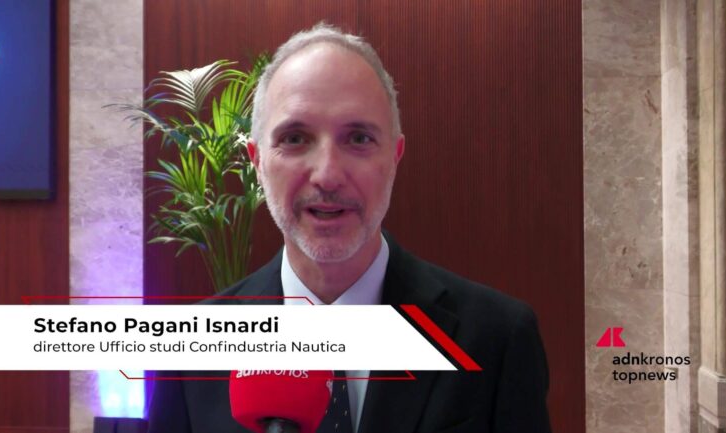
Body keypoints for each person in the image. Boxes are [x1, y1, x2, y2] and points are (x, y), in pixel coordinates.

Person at [147, 23, 551, 433]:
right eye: (295, 138)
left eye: (358, 138)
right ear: (257, 162)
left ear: (394, 157)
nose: (327, 175)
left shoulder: (497, 338)